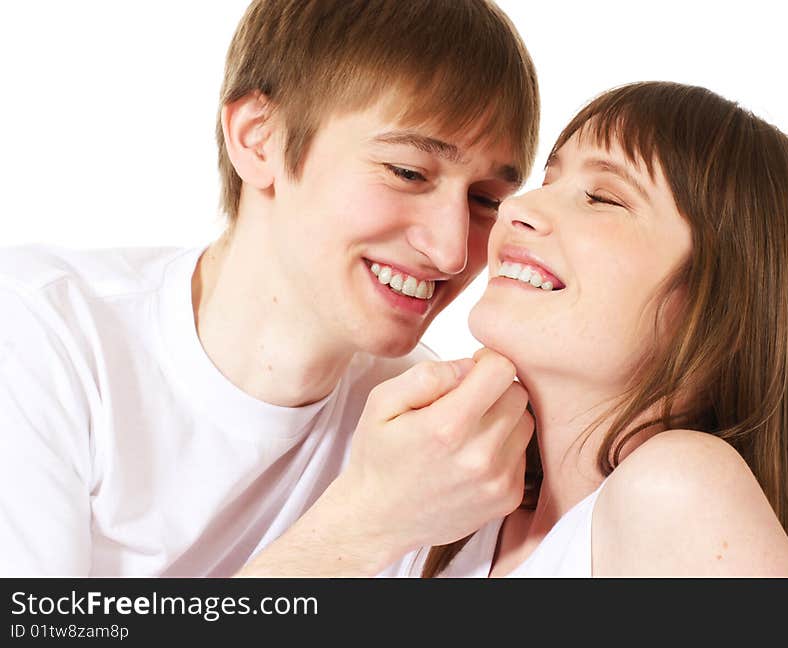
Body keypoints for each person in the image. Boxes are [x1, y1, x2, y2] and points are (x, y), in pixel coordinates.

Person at [0, 0, 540, 577]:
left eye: (486, 201)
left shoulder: (432, 434)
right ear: (259, 139)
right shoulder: (42, 332)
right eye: (408, 172)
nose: (453, 250)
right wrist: (364, 524)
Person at [415, 82, 788, 578]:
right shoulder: (454, 510)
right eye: (548, 180)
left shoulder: (678, 487)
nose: (517, 208)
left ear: (721, 310)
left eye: (603, 198)